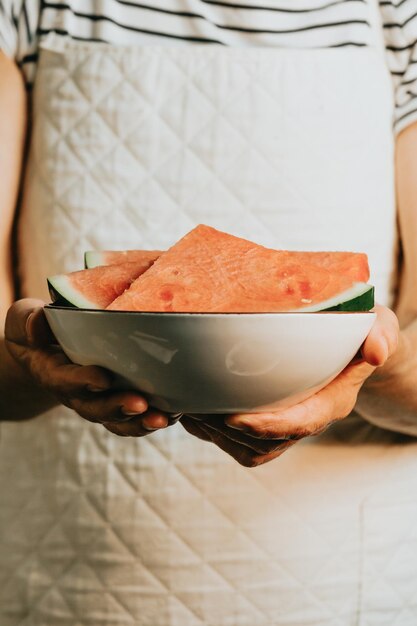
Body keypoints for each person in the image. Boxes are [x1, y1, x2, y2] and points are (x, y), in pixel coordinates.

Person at [0, 0, 416, 624]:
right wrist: (30, 363)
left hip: (338, 585)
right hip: (67, 575)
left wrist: (372, 362)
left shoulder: (398, 17)